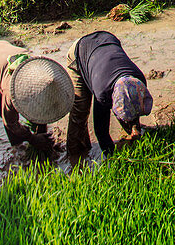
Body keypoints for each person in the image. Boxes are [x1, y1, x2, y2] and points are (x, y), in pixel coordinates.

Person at [0, 40, 74, 169]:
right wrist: (33, 139)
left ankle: (18, 149)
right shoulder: (11, 92)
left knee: (5, 111)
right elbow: (9, 122)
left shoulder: (39, 70)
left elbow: (42, 106)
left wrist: (41, 133)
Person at [65, 31, 153, 159]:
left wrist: (135, 130)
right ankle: (74, 154)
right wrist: (112, 157)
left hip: (106, 42)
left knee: (129, 107)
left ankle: (131, 133)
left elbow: (134, 105)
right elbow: (101, 131)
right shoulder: (103, 93)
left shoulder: (139, 80)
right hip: (79, 52)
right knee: (81, 110)